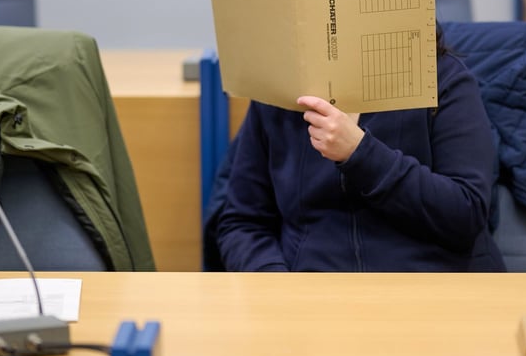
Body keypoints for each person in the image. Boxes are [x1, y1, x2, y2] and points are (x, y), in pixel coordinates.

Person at [215, 25, 505, 272]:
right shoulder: (279, 92)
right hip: (316, 297)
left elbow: (466, 212)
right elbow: (242, 223)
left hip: (430, 288)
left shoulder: (442, 78)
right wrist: (276, 282)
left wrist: (360, 154)